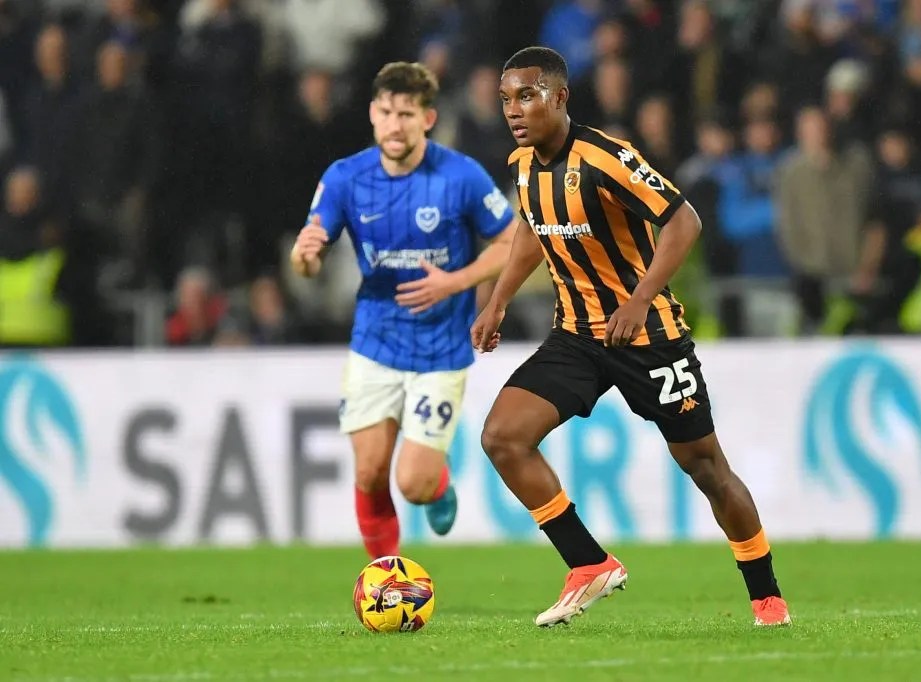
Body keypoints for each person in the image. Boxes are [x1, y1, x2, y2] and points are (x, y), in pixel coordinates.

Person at [471, 47, 791, 628]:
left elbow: (683, 220)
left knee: (706, 467)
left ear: (560, 97)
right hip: (576, 338)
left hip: (648, 337)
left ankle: (767, 599)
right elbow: (530, 229)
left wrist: (640, 299)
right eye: (505, 100)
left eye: (526, 96)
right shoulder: (522, 165)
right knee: (502, 437)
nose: (513, 111)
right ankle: (588, 563)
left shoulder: (607, 157)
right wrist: (497, 299)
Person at [291, 62, 517, 560]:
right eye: (388, 112)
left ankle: (437, 485)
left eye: (407, 114)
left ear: (427, 119)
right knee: (370, 473)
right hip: (375, 342)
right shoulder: (345, 177)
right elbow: (309, 258)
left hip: (440, 349)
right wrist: (304, 258)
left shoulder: (459, 175)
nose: (396, 124)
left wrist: (454, 283)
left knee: (412, 483)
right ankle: (386, 580)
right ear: (373, 114)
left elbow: (512, 242)